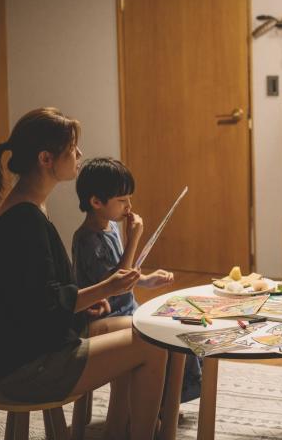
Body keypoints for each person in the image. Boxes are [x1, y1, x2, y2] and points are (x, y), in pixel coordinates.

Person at [0, 108, 173, 440]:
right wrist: (107, 288)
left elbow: (35, 299)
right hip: (28, 367)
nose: (79, 155)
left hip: (32, 351)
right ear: (46, 159)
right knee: (154, 344)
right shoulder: (24, 220)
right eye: (72, 149)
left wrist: (85, 301)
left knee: (147, 330)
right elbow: (45, 305)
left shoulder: (29, 207)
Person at [73, 157, 202, 402]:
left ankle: (168, 399)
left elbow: (120, 273)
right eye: (122, 200)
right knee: (165, 333)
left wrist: (145, 280)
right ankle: (159, 402)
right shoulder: (88, 240)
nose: (129, 206)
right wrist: (133, 239)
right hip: (107, 316)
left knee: (182, 321)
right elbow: (115, 282)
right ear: (96, 202)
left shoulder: (109, 227)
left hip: (127, 307)